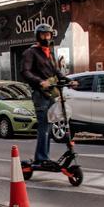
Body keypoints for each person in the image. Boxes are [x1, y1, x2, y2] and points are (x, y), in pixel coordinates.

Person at [21, 23, 75, 166]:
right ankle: (41, 157)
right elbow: (25, 72)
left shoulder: (49, 52)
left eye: (48, 35)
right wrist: (40, 82)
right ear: (38, 36)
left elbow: (56, 72)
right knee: (44, 127)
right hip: (40, 94)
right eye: (43, 35)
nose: (46, 37)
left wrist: (69, 81)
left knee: (49, 127)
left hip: (51, 94)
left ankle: (44, 156)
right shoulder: (30, 52)